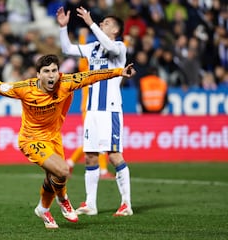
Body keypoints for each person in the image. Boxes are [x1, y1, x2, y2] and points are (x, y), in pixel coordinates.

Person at [0, 54, 136, 228]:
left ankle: (43, 209)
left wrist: (119, 71)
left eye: (55, 71)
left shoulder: (65, 83)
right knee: (63, 171)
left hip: (54, 138)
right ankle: (63, 199)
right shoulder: (24, 88)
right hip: (31, 139)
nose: (52, 75)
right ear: (38, 74)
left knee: (54, 176)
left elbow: (91, 76)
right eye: (47, 71)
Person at [57, 6, 134, 216]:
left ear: (116, 30)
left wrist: (90, 23)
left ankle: (126, 203)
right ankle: (91, 204)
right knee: (90, 156)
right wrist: (63, 28)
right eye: (101, 23)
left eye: (106, 23)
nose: (101, 24)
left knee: (114, 155)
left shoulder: (119, 47)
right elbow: (67, 49)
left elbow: (108, 44)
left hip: (110, 110)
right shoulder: (92, 48)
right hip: (92, 110)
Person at [66, 28, 115, 180]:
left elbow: (116, 56)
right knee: (98, 140)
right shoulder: (86, 69)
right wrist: (82, 36)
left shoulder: (102, 69)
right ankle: (102, 171)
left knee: (94, 140)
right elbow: (82, 56)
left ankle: (70, 163)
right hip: (89, 108)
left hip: (97, 108)